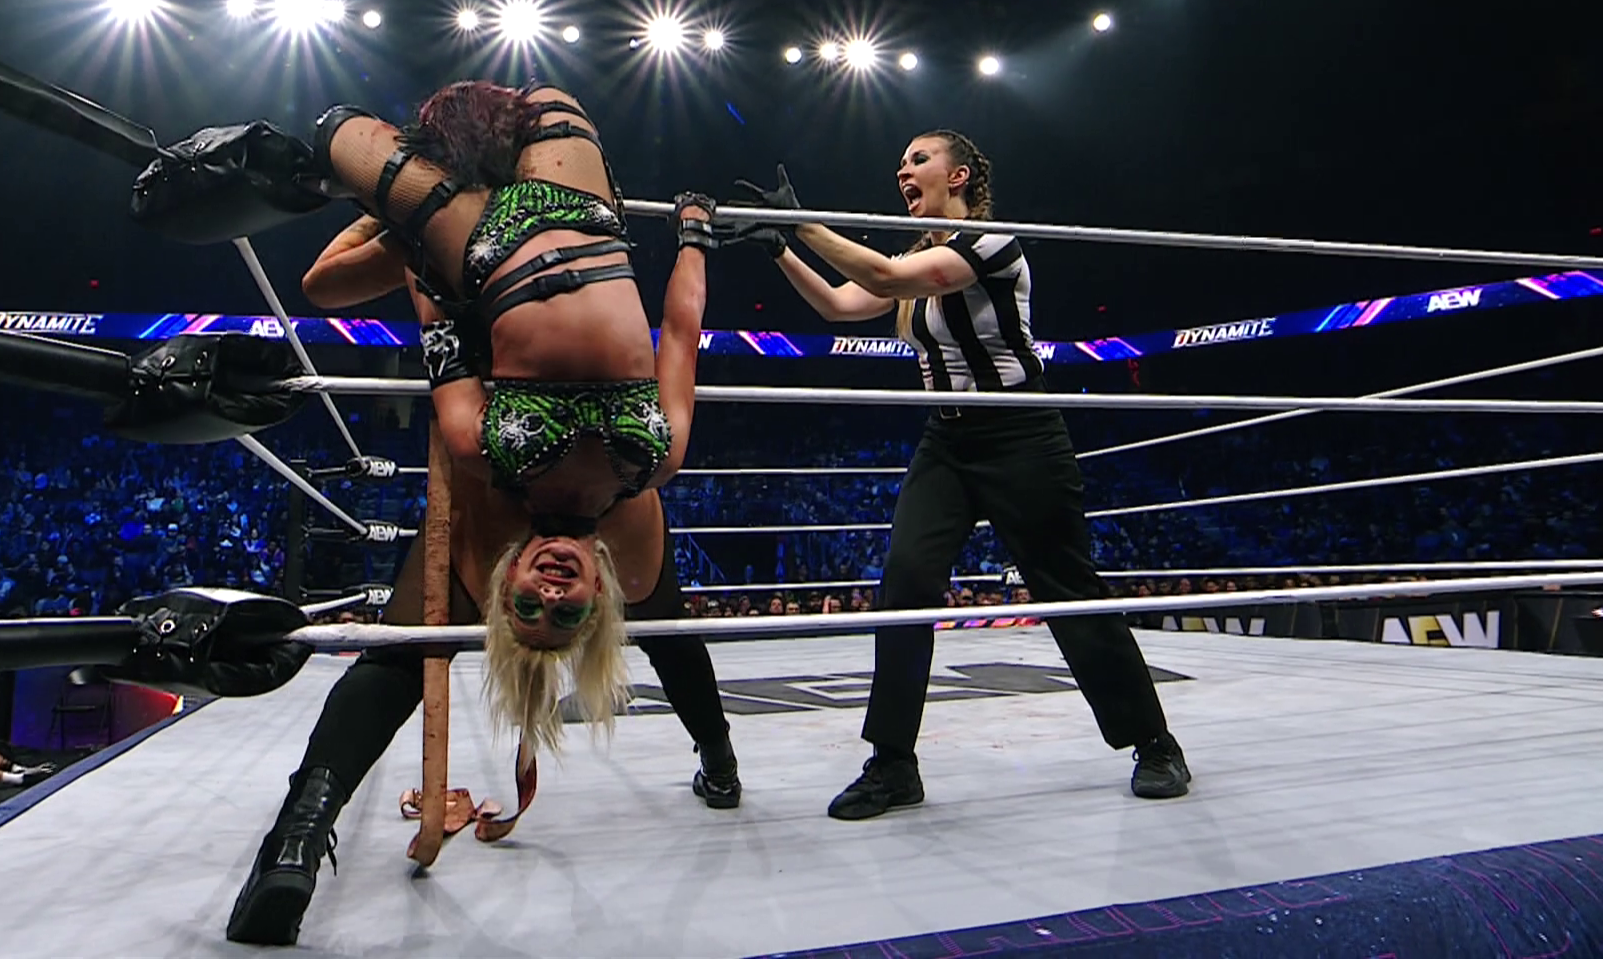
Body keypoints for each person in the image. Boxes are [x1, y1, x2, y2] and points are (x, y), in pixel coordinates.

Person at [225, 188, 739, 948]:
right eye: (566, 610)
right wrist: (694, 236)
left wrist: (415, 233)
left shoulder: (484, 474)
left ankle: (295, 838)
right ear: (599, 596)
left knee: (399, 656)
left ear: (504, 584)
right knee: (666, 623)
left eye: (529, 606)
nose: (551, 591)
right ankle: (720, 761)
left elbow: (434, 343)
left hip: (495, 295)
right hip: (554, 266)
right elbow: (683, 336)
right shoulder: (637, 505)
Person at [733, 136, 1190, 821]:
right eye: (901, 161)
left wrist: (801, 223)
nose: (902, 169)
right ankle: (893, 763)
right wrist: (779, 248)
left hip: (1019, 432)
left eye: (918, 159)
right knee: (905, 583)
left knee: (1066, 587)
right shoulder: (918, 258)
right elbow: (838, 305)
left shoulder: (991, 242)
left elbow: (883, 277)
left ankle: (1154, 743)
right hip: (946, 441)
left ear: (959, 176)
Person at [306, 81, 736, 535]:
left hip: (552, 226)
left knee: (542, 95)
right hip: (525, 233)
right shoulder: (494, 457)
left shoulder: (656, 461)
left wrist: (694, 234)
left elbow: (682, 327)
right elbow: (438, 333)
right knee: (337, 128)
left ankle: (454, 176)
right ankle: (448, 175)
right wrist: (415, 225)